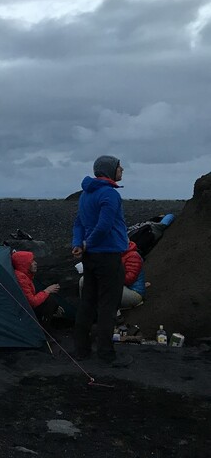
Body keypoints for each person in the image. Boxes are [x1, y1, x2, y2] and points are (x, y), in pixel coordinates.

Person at [71, 155, 132, 366]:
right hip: (108, 256)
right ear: (109, 170)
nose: (122, 169)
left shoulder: (85, 194)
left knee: (87, 300)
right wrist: (87, 243)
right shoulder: (109, 194)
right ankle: (106, 353)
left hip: (90, 257)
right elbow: (104, 226)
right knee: (108, 304)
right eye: (118, 166)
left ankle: (81, 350)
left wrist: (78, 244)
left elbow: (78, 223)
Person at [10, 250, 62, 321]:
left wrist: (55, 307)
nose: (35, 263)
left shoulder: (24, 275)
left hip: (23, 311)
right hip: (24, 313)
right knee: (49, 300)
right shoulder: (21, 279)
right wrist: (47, 290)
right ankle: (44, 327)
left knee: (49, 299)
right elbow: (32, 302)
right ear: (24, 264)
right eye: (31, 261)